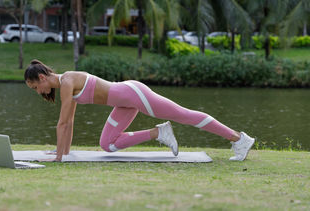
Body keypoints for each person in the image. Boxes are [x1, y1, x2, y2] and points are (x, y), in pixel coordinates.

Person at [24, 59, 255, 162]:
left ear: (42, 77)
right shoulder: (67, 84)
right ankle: (159, 133)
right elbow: (70, 122)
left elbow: (62, 123)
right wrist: (61, 153)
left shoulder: (66, 82)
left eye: (36, 87)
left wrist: (56, 158)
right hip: (123, 104)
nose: (39, 92)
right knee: (108, 144)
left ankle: (238, 138)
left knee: (183, 114)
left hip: (133, 93)